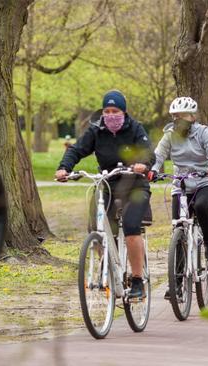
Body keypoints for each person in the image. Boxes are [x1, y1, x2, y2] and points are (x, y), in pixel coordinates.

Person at [55, 90, 154, 299]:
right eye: (107, 111)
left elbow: (147, 151)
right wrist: (65, 168)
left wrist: (142, 164)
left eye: (115, 111)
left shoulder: (135, 128)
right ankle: (107, 267)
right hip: (107, 183)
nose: (110, 115)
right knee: (96, 228)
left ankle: (137, 281)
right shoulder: (96, 130)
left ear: (124, 112)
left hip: (134, 184)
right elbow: (77, 149)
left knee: (130, 226)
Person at [148, 97, 208, 300]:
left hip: (205, 182)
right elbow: (158, 156)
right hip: (181, 185)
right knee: (178, 231)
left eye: (183, 116)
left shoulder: (203, 133)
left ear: (192, 117)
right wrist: (153, 170)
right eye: (175, 117)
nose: (179, 120)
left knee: (200, 205)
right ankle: (176, 286)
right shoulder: (170, 136)